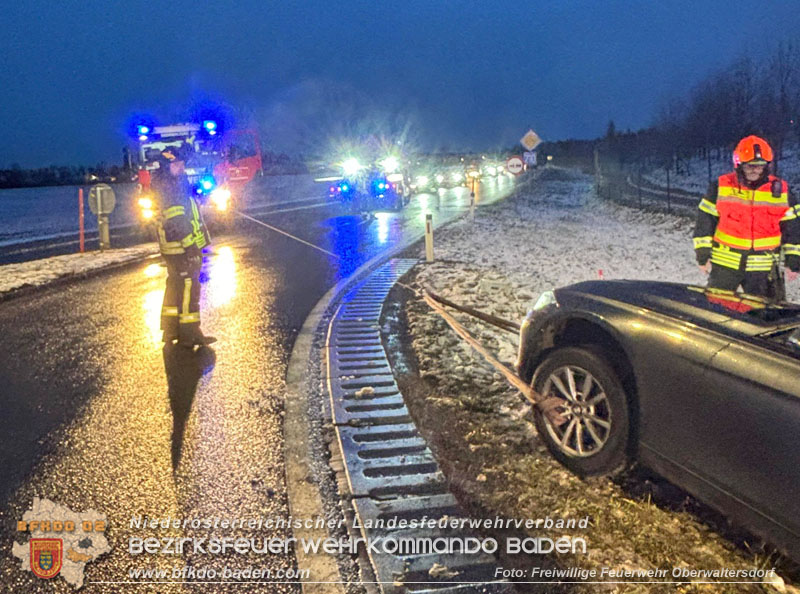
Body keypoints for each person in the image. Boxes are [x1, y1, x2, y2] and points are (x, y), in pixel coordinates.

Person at [693, 135, 800, 299]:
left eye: (760, 166)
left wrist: (793, 260)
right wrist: (703, 255)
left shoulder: (782, 191)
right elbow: (704, 222)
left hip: (763, 267)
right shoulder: (720, 187)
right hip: (725, 265)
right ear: (738, 164)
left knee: (767, 316)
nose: (755, 170)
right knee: (717, 310)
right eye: (750, 166)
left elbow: (793, 228)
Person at [151, 145, 216, 347]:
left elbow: (187, 203)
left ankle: (170, 330)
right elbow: (176, 221)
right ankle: (190, 333)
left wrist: (198, 191)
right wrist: (191, 248)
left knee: (175, 285)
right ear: (166, 166)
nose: (180, 167)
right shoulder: (169, 187)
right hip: (181, 247)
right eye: (176, 164)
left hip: (173, 248)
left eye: (181, 163)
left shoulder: (170, 183)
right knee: (189, 286)